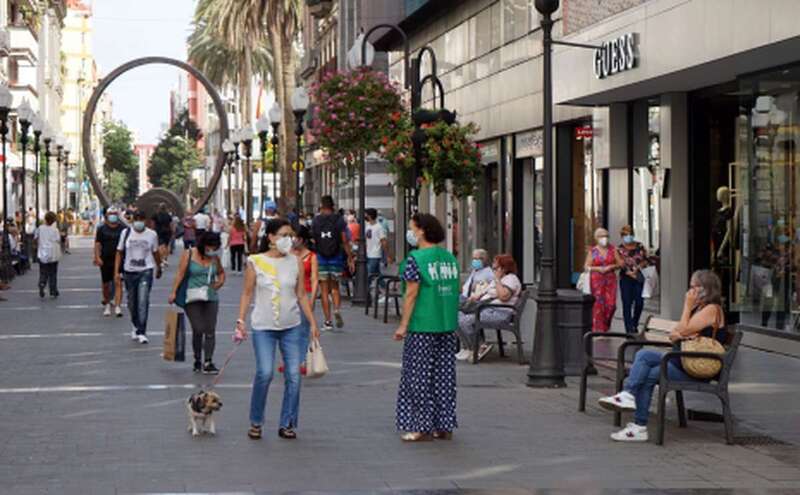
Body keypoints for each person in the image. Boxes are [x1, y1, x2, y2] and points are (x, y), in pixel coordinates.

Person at [598, 270, 728, 442]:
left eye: (692, 288)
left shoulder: (712, 309)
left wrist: (687, 308)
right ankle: (629, 398)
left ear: (704, 289)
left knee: (649, 374)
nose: (688, 292)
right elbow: (675, 333)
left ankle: (638, 424)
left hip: (697, 369)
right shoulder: (701, 308)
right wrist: (682, 330)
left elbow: (680, 330)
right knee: (644, 355)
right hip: (681, 361)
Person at [235, 218, 320, 440]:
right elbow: (247, 292)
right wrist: (240, 321)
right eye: (283, 235)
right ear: (271, 238)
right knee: (265, 372)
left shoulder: (296, 262)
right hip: (263, 327)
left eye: (291, 235)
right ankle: (256, 421)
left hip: (292, 325)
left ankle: (287, 423)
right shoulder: (255, 261)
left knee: (294, 375)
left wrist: (312, 321)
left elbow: (301, 294)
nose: (289, 240)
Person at [393, 213, 460, 441]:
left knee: (418, 376)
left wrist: (403, 324)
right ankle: (444, 424)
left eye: (412, 228)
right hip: (446, 324)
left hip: (423, 324)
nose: (410, 233)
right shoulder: (449, 258)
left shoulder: (416, 259)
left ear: (421, 231)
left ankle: (420, 426)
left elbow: (411, 294)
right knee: (443, 376)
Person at [170, 232, 226, 374]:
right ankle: (197, 359)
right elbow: (180, 273)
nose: (211, 250)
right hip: (192, 297)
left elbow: (221, 272)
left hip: (210, 297)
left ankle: (208, 361)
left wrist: (220, 283)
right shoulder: (189, 254)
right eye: (209, 247)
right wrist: (174, 292)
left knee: (210, 330)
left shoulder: (214, 258)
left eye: (214, 247)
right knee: (198, 328)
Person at [456, 254, 522, 362]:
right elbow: (487, 292)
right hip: (486, 309)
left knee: (465, 321)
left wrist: (496, 279)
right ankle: (469, 347)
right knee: (455, 316)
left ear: (504, 268)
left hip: (498, 313)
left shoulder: (511, 279)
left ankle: (479, 346)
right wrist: (477, 296)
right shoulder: (500, 278)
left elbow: (503, 296)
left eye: (496, 267)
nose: (493, 269)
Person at [116, 211, 162, 344]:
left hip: (145, 270)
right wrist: (116, 272)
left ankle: (142, 331)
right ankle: (135, 324)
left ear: (145, 220)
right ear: (132, 220)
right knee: (132, 302)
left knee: (143, 300)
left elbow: (155, 252)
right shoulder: (126, 234)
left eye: (141, 219)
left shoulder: (152, 234)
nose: (139, 222)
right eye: (136, 219)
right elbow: (119, 252)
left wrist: (159, 267)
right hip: (129, 271)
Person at [312, 195, 353, 331]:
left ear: (321, 206)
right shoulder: (339, 220)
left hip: (321, 257)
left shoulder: (316, 220)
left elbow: (314, 239)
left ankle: (327, 321)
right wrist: (350, 256)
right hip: (336, 257)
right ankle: (336, 309)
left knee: (324, 290)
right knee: (335, 287)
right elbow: (344, 239)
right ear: (333, 206)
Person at [584, 228, 623, 332]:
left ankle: (606, 326)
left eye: (606, 235)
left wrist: (611, 267)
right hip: (596, 281)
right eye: (601, 236)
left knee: (611, 305)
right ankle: (599, 330)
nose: (604, 238)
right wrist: (598, 268)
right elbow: (586, 266)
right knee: (598, 306)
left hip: (610, 280)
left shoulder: (613, 249)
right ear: (596, 238)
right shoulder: (592, 251)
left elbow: (621, 264)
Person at [617, 225, 649, 333]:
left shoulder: (640, 246)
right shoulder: (619, 249)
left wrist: (638, 268)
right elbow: (619, 263)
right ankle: (629, 330)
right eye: (625, 235)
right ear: (622, 236)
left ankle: (635, 323)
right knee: (627, 303)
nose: (628, 237)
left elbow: (646, 261)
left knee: (639, 302)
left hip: (639, 278)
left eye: (630, 234)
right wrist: (629, 272)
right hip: (626, 279)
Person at [94, 207, 125, 317]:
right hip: (105, 259)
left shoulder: (123, 229)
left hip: (120, 259)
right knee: (106, 284)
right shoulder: (102, 229)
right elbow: (97, 244)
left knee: (118, 282)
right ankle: (107, 303)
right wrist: (97, 257)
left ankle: (117, 306)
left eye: (115, 213)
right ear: (107, 216)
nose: (113, 215)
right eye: (111, 214)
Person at [34, 212, 61, 298]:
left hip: (43, 253)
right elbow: (58, 240)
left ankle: (42, 283)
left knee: (43, 271)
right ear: (53, 221)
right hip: (53, 254)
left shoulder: (40, 228)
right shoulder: (55, 230)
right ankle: (53, 290)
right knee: (53, 273)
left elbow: (35, 238)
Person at [365, 208, 393, 281]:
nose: (365, 216)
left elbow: (384, 241)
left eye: (366, 215)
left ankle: (366, 289)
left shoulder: (379, 227)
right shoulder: (367, 226)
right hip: (368, 253)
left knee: (369, 274)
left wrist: (388, 255)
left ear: (370, 216)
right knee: (377, 274)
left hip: (375, 254)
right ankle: (384, 286)